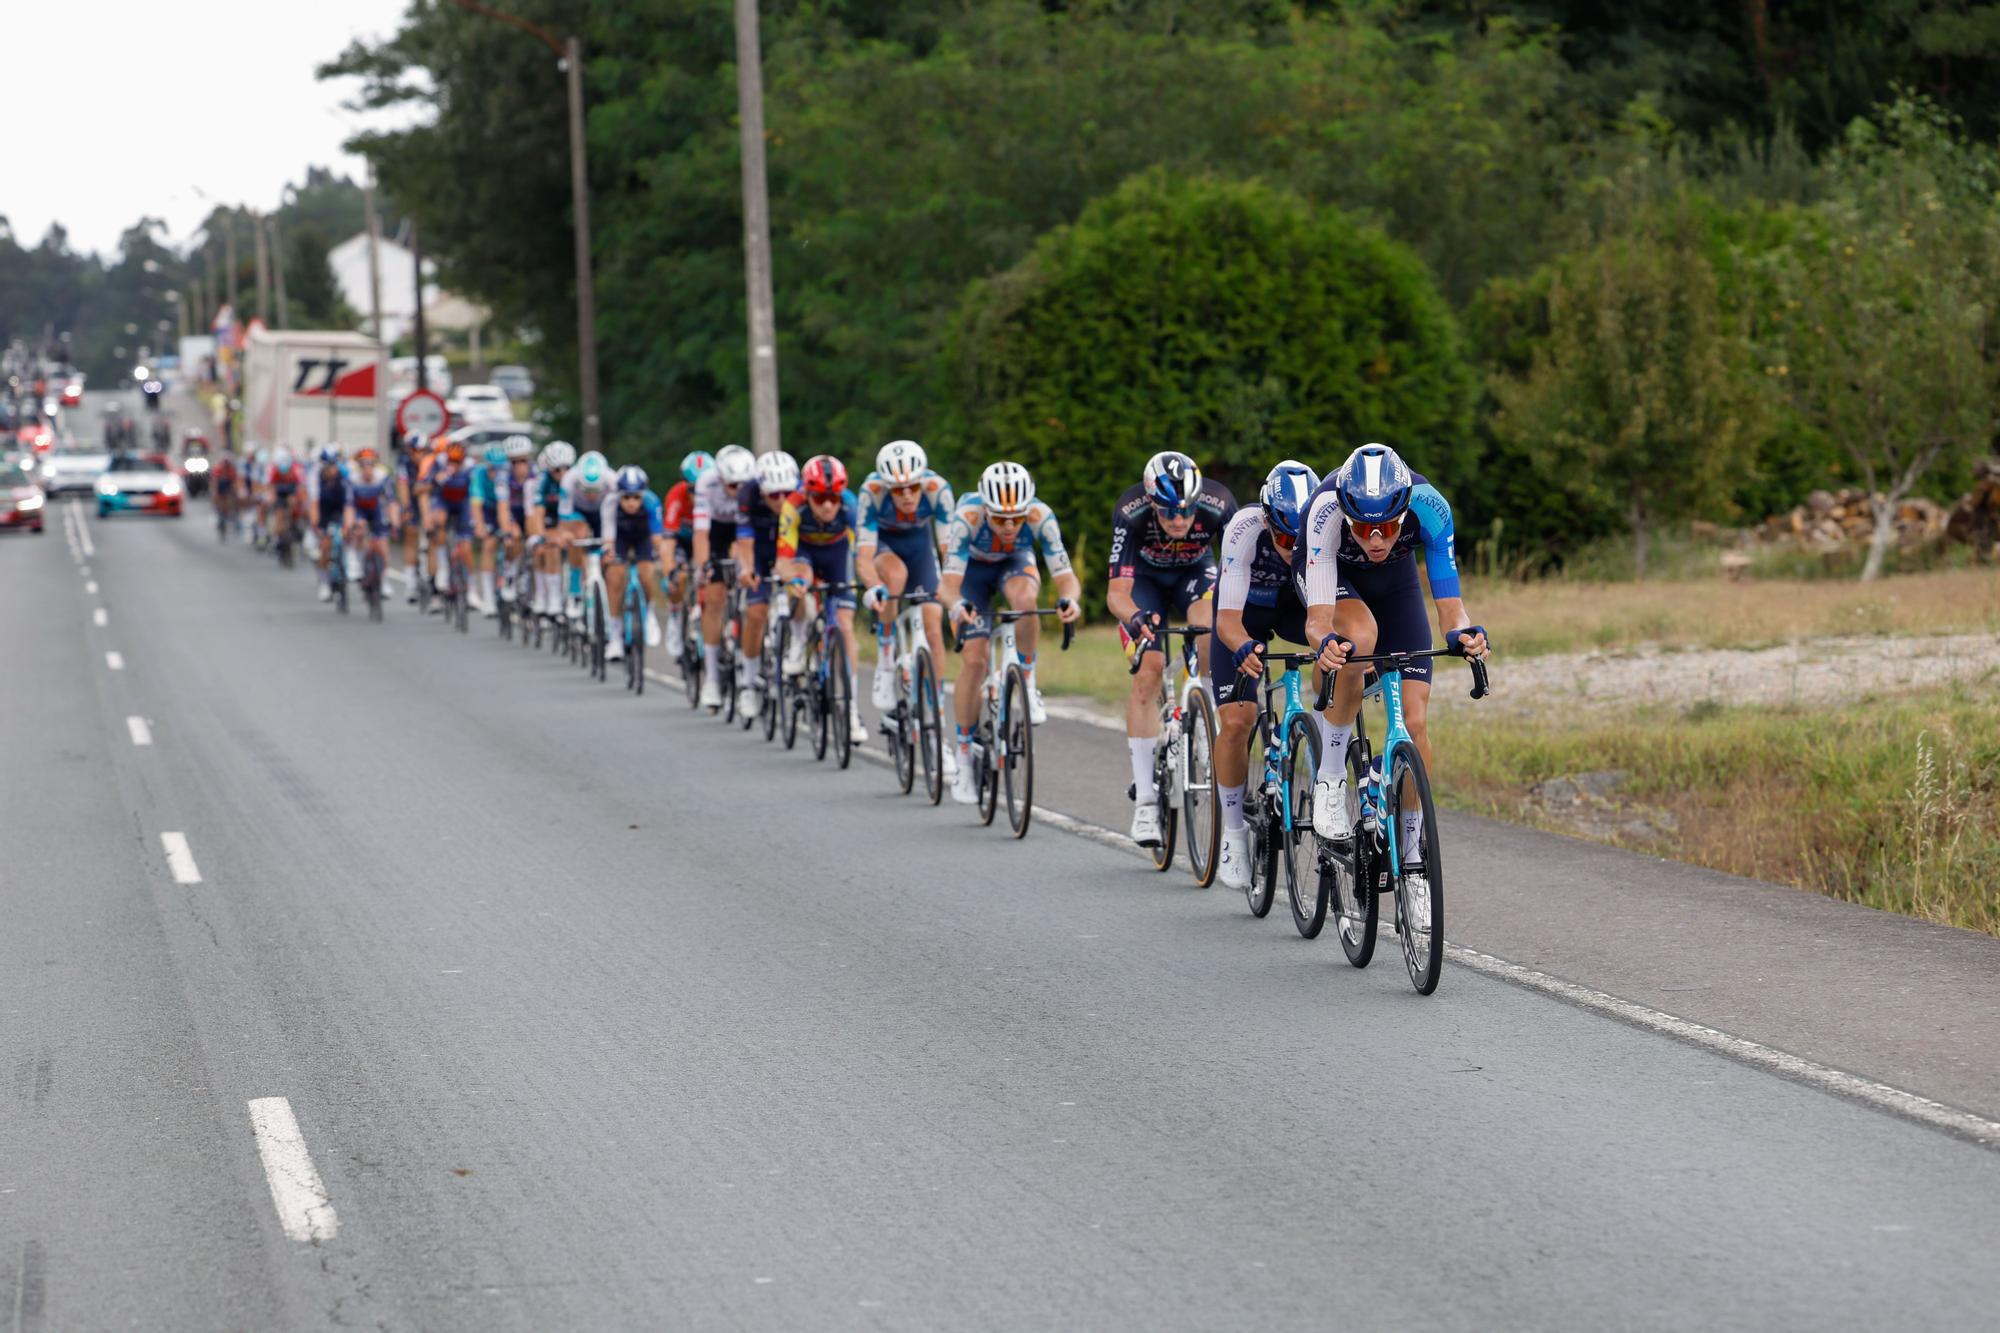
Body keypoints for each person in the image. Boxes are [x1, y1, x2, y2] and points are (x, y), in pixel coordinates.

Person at [1302, 444, 1489, 878]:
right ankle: (1330, 779)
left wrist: (1464, 633)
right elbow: (1317, 619)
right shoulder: (1325, 511)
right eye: (1364, 529)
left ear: (1403, 512)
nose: (1376, 539)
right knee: (1359, 637)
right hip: (1337, 581)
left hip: (1397, 586)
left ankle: (1412, 857)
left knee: (1415, 721)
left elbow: (1451, 607)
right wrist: (1327, 641)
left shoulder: (1430, 506)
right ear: (1347, 515)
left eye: (1386, 527)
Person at [1105, 450, 1237, 847]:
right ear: (1150, 503)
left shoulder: (1218, 505)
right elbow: (1117, 593)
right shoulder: (1131, 512)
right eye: (1168, 513)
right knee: (1150, 668)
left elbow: (1239, 572)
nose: (1179, 520)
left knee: (1210, 629)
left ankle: (1205, 714)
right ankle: (1145, 802)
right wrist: (1134, 620)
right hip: (1144, 583)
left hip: (1195, 574)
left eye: (1186, 511)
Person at [940, 462, 1082, 804]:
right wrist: (958, 606)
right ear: (985, 509)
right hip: (971, 575)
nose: (1008, 525)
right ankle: (962, 753)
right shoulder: (967, 519)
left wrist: (1071, 601)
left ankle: (1028, 682)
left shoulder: (1040, 516)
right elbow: (946, 586)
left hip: (1014, 564)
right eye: (999, 518)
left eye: (1015, 518)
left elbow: (1065, 577)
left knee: (1026, 600)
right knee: (974, 662)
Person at [1209, 461, 1318, 890]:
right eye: (1285, 539)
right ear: (1269, 522)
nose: (1293, 548)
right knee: (1237, 720)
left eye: (1302, 539)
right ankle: (1233, 832)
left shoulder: (1325, 526)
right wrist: (1240, 646)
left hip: (1295, 611)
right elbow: (1227, 620)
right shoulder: (1244, 527)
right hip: (1244, 615)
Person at [855, 440, 955, 748]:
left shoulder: (938, 489)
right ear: (887, 487)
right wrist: (874, 588)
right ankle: (886, 659)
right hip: (884, 548)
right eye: (898, 491)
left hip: (920, 548)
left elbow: (949, 551)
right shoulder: (871, 492)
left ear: (922, 480)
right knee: (895, 578)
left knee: (933, 624)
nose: (908, 495)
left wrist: (953, 594)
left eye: (913, 487)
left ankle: (937, 719)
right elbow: (863, 556)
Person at [777, 455, 868, 744]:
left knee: (844, 624)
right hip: (805, 552)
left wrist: (866, 583)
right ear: (807, 493)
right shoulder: (793, 505)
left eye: (833, 497)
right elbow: (782, 560)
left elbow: (863, 554)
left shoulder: (851, 505)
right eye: (819, 497)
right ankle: (800, 641)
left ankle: (852, 709)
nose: (828, 504)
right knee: (800, 578)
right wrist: (792, 580)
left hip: (838, 554)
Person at [731, 450, 801, 717]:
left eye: (787, 493)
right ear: (761, 491)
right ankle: (748, 684)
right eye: (774, 495)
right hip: (759, 551)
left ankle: (798, 646)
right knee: (756, 613)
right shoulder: (747, 495)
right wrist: (747, 569)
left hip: (790, 548)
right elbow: (744, 541)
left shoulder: (802, 494)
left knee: (803, 593)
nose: (782, 500)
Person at [691, 444, 756, 710]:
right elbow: (701, 533)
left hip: (745, 533)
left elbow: (749, 540)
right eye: (731, 485)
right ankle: (713, 679)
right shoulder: (706, 484)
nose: (737, 490)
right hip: (717, 531)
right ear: (720, 479)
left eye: (742, 484)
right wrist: (704, 565)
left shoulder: (754, 487)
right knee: (715, 598)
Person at [600, 465, 667, 662]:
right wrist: (608, 554)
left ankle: (649, 613)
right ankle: (615, 634)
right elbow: (608, 539)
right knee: (615, 576)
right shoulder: (609, 503)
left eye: (636, 497)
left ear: (642, 495)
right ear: (619, 495)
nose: (631, 503)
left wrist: (662, 558)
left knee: (646, 573)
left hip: (643, 538)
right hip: (619, 538)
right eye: (626, 497)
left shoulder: (652, 502)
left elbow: (657, 538)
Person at [660, 452, 713, 659]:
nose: (698, 493)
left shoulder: (717, 495)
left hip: (707, 539)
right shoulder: (676, 496)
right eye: (692, 489)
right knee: (678, 577)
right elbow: (668, 541)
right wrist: (669, 571)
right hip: (682, 541)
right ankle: (675, 614)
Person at [422, 439, 478, 607]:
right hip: (443, 501)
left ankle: (471, 589)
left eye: (457, 462)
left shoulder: (471, 467)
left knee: (467, 547)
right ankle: (443, 568)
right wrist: (437, 479)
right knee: (439, 520)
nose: (453, 464)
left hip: (463, 503)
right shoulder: (438, 464)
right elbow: (425, 488)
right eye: (450, 461)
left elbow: (476, 493)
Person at [525, 441, 574, 617]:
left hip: (568, 518)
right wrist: (540, 536)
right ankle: (547, 595)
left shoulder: (575, 480)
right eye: (557, 470)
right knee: (548, 546)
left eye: (566, 468)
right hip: (548, 517)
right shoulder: (542, 481)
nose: (562, 474)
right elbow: (537, 513)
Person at [344, 446, 397, 594]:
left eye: (370, 465)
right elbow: (349, 506)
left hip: (376, 509)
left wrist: (394, 523)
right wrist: (349, 526)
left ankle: (384, 580)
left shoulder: (383, 476)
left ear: (375, 465)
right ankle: (358, 565)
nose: (367, 469)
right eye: (363, 465)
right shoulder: (352, 478)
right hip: (359, 508)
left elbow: (391, 502)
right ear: (359, 466)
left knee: (383, 545)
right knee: (359, 528)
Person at [305, 445, 350, 601]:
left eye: (334, 465)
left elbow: (351, 500)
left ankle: (349, 565)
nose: (332, 469)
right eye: (329, 466)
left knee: (346, 535)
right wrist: (316, 525)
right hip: (323, 509)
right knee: (325, 546)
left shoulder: (345, 473)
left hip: (340, 508)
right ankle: (324, 582)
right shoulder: (314, 476)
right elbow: (314, 503)